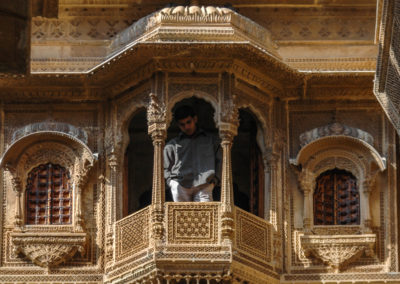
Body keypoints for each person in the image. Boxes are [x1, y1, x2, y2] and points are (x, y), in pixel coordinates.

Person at [164, 105, 221, 202]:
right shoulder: (172, 145)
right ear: (178, 125)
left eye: (188, 122)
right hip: (180, 185)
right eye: (182, 124)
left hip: (204, 184)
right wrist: (171, 182)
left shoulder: (210, 141)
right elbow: (164, 167)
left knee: (205, 216)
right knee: (181, 216)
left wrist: (215, 180)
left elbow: (220, 161)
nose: (186, 127)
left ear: (195, 119)